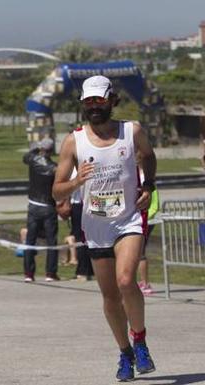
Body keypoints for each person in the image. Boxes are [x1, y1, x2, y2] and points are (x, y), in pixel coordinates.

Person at [53, 75, 157, 382]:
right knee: (110, 296)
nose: (95, 107)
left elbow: (148, 157)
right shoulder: (74, 141)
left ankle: (139, 340)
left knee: (127, 280)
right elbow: (57, 191)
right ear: (83, 105)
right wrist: (77, 181)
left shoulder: (131, 131)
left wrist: (148, 185)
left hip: (128, 219)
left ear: (113, 99)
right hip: (96, 226)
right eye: (89, 102)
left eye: (100, 100)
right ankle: (124, 352)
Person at [22, 138, 60, 282]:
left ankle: (28, 273)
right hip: (48, 206)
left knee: (30, 240)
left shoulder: (33, 160)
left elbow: (25, 157)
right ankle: (50, 273)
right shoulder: (54, 167)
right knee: (51, 241)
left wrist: (36, 149)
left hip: (33, 205)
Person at [138, 166, 160, 296]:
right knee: (136, 253)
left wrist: (145, 217)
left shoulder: (144, 178)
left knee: (140, 252)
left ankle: (145, 284)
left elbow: (154, 201)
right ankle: (142, 282)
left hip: (145, 219)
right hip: (140, 218)